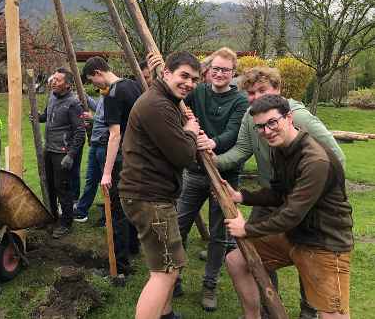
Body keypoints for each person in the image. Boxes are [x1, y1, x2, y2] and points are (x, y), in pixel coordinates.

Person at [215, 66, 345, 319]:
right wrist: (241, 194)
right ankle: (263, 313)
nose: (256, 97)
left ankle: (310, 312)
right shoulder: (271, 137)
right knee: (238, 259)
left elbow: (295, 208)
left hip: (323, 233)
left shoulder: (308, 142)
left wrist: (310, 192)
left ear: (287, 116)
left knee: (330, 308)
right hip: (289, 212)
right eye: (251, 93)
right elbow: (271, 185)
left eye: (262, 90)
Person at [119, 51, 201, 319]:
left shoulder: (165, 100)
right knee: (165, 272)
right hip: (149, 196)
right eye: (184, 76)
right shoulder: (157, 106)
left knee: (167, 266)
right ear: (167, 74)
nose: (189, 83)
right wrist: (190, 131)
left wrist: (185, 125)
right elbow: (184, 155)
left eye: (194, 79)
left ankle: (165, 314)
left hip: (151, 194)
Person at [169, 47, 249, 311]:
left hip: (225, 177)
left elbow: (234, 132)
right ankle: (173, 278)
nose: (219, 74)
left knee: (219, 234)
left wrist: (212, 142)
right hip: (195, 172)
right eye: (215, 68)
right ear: (208, 70)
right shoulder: (199, 92)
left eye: (225, 70)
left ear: (233, 73)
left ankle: (210, 284)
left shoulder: (240, 102)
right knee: (179, 224)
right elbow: (176, 98)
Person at [82, 56, 143, 275]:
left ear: (98, 72)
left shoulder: (112, 96)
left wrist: (106, 173)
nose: (94, 85)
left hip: (122, 160)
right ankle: (134, 247)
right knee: (133, 205)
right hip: (139, 157)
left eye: (92, 80)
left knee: (118, 211)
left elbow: (114, 136)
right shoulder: (134, 86)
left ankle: (121, 265)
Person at [36, 68, 85, 239]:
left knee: (63, 188)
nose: (53, 82)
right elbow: (47, 116)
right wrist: (37, 116)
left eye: (58, 80)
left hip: (62, 152)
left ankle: (66, 222)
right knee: (48, 185)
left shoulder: (73, 103)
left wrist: (71, 155)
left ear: (68, 84)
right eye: (53, 79)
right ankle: (52, 217)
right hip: (49, 149)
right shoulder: (52, 97)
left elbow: (80, 132)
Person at [74, 94, 107, 223]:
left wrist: (92, 118)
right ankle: (81, 211)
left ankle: (109, 216)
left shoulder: (114, 96)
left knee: (108, 182)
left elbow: (111, 120)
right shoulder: (104, 95)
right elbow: (97, 106)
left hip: (105, 145)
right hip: (95, 144)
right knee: (91, 179)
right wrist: (84, 97)